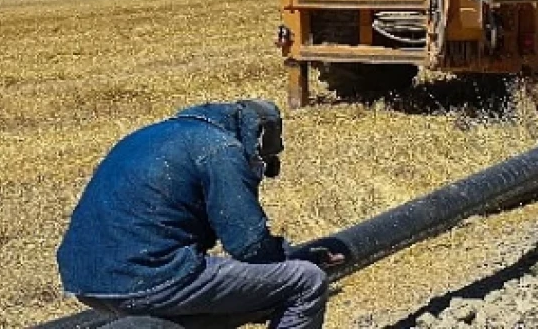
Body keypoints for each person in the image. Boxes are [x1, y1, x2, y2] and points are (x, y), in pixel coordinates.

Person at [56, 100, 339, 329]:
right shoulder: (222, 150)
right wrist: (295, 260)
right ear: (257, 139)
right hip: (149, 276)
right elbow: (249, 246)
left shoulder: (156, 135)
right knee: (306, 281)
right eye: (262, 163)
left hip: (84, 279)